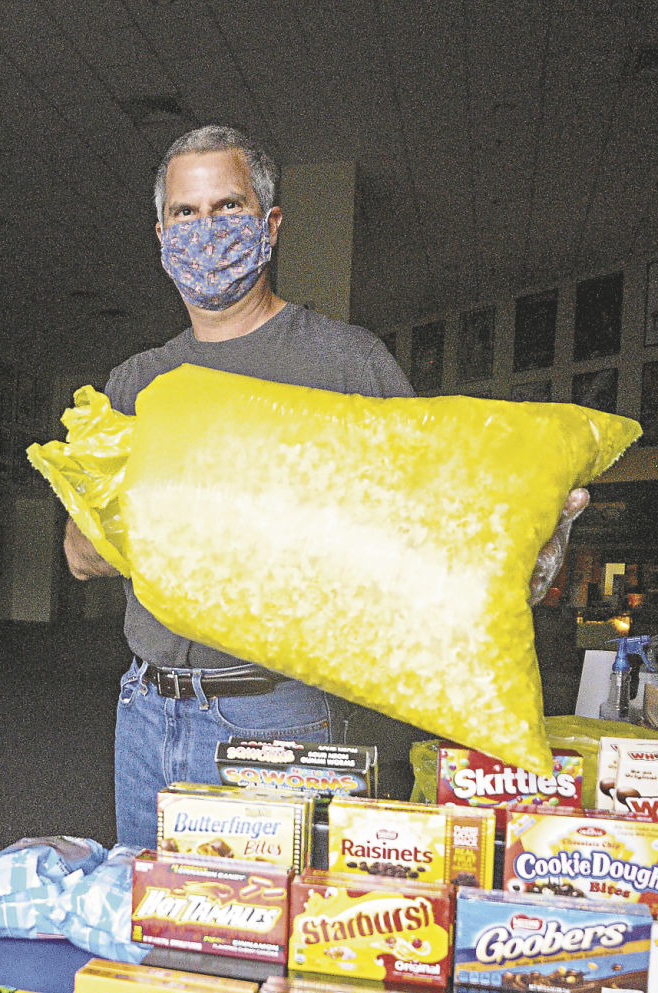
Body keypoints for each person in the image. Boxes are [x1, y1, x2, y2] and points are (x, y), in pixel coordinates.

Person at [66, 126, 583, 849]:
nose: (206, 230)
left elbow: (433, 523)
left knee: (275, 931)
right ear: (160, 235)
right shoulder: (138, 380)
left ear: (270, 225)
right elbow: (80, 553)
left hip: (280, 713)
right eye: (186, 214)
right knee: (152, 931)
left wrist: (526, 526)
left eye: (229, 207)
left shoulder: (343, 361)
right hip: (146, 709)